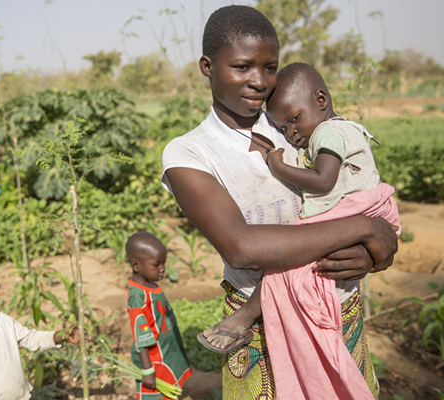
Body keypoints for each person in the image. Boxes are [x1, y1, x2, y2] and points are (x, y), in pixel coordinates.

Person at [161, 5, 398, 399]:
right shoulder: (190, 152)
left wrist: (370, 254)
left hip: (338, 307)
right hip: (259, 331)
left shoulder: (295, 122)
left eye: (269, 68)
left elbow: (356, 193)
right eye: (242, 67)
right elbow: (242, 247)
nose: (259, 81)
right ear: (208, 66)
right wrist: (363, 229)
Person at [260, 62, 401, 399]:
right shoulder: (334, 130)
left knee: (289, 257)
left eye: (295, 119)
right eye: (283, 127)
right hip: (366, 211)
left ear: (321, 100)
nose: (292, 133)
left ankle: (254, 312)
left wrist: (278, 166)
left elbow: (324, 182)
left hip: (358, 209)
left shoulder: (327, 133)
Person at [126, 231, 192, 399]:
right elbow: (141, 337)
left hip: (165, 349)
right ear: (135, 265)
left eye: (164, 263)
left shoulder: (150, 285)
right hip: (154, 359)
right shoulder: (138, 298)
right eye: (157, 265)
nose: (162, 269)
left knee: (169, 390)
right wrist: (148, 370)